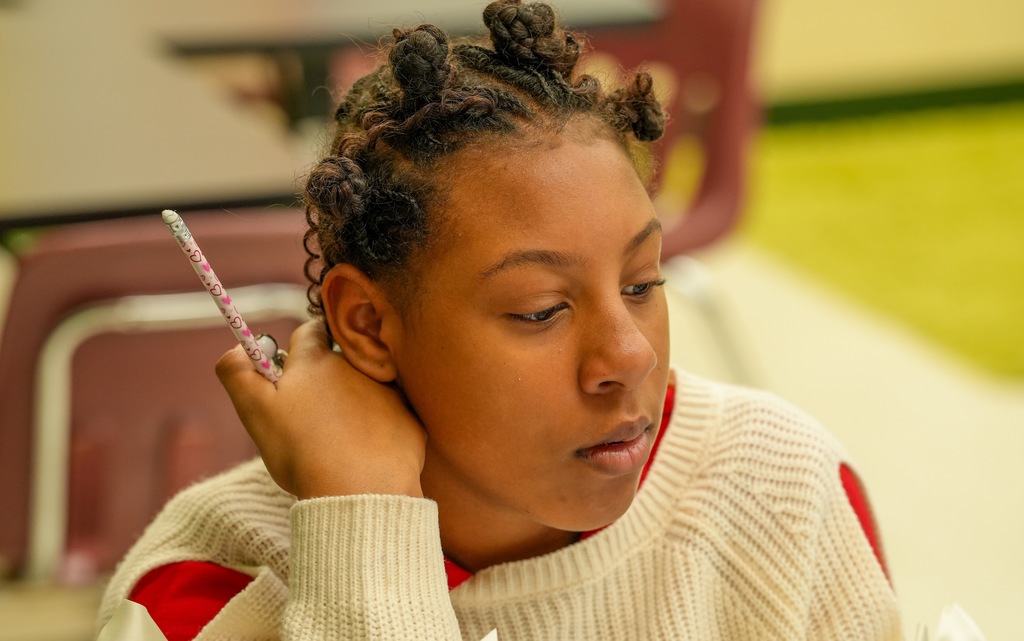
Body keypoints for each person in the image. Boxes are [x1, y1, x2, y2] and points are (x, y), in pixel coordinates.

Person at [96, 1, 901, 639]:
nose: (627, 357)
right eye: (541, 309)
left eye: (642, 283)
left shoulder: (782, 488)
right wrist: (362, 516)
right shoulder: (208, 585)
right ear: (369, 325)